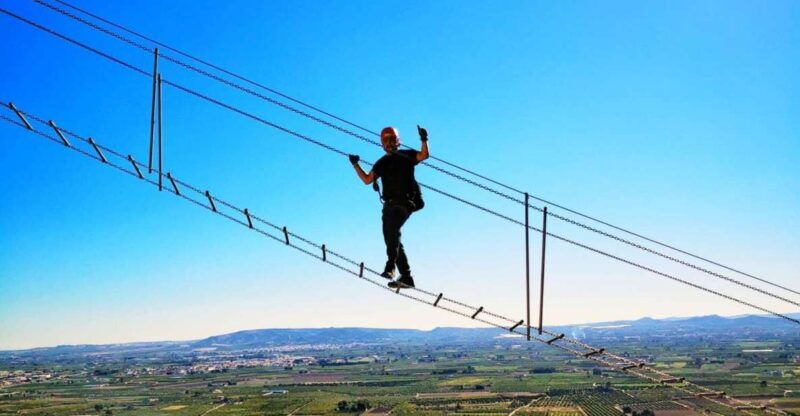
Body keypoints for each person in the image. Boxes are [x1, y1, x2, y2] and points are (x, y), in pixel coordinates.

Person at [348, 125, 429, 289]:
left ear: (398, 141)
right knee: (391, 237)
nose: (390, 143)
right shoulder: (382, 163)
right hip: (389, 206)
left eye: (392, 140)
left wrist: (423, 140)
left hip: (405, 203)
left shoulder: (406, 155)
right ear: (382, 144)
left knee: (392, 231)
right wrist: (356, 165)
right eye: (386, 141)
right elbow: (367, 179)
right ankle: (406, 276)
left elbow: (423, 155)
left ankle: (391, 266)